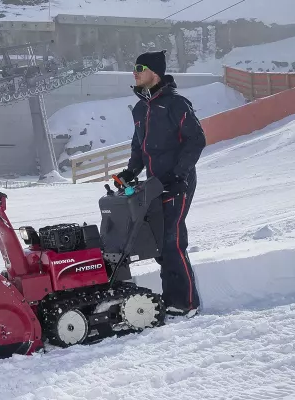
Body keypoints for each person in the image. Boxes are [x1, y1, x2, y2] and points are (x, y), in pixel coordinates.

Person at [116, 49, 205, 319]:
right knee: (158, 242)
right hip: (155, 184)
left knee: (172, 241)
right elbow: (138, 147)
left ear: (155, 72)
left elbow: (196, 140)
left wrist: (179, 175)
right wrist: (131, 173)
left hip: (179, 182)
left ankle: (186, 304)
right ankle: (173, 299)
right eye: (134, 67)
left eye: (140, 67)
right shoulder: (141, 108)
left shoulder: (176, 104)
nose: (135, 72)